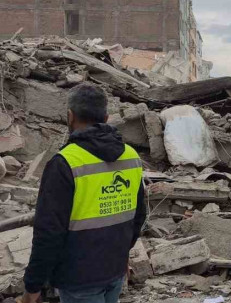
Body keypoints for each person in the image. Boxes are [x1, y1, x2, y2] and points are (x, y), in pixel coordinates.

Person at [21, 83, 146, 303]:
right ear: (106, 118)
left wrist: (33, 286)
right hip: (114, 270)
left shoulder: (65, 162)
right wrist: (122, 255)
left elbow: (48, 233)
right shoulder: (131, 157)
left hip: (78, 278)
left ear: (70, 116)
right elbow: (138, 217)